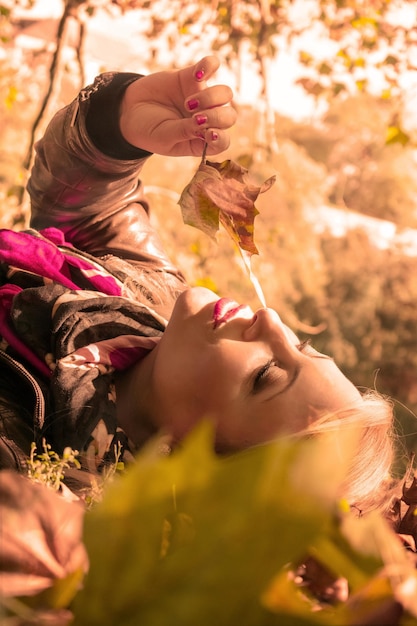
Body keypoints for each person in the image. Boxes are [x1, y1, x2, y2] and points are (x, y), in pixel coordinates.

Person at [0, 55, 401, 519]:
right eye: (302, 345)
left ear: (180, 460)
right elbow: (91, 213)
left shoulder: (22, 468)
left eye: (266, 374)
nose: (270, 321)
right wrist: (117, 127)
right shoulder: (150, 301)